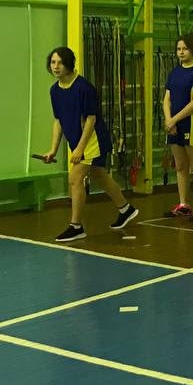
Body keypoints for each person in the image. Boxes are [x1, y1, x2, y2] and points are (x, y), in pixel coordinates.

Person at [36, 46, 138, 242]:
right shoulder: (55, 91)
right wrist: (53, 149)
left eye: (60, 62)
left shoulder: (84, 87)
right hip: (77, 141)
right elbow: (58, 121)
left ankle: (76, 226)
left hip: (93, 140)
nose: (56, 66)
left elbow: (91, 119)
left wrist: (80, 149)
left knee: (75, 178)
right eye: (53, 62)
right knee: (99, 174)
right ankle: (126, 209)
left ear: (68, 64)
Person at [162, 32, 193, 221]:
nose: (181, 52)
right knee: (180, 166)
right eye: (178, 49)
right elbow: (166, 99)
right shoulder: (175, 72)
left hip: (192, 124)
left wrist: (174, 120)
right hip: (174, 124)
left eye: (185, 49)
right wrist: (169, 120)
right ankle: (183, 204)